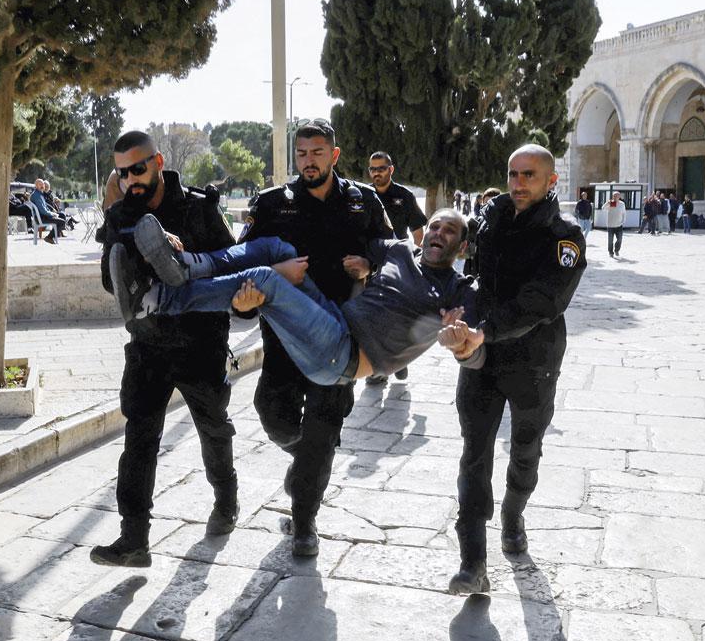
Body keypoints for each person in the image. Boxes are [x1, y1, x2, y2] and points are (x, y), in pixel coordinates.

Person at [238, 118, 391, 557]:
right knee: (273, 414)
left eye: (317, 153)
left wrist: (369, 265)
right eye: (302, 154)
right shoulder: (270, 204)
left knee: (323, 428)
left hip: (341, 337)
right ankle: (308, 463)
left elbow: (391, 251)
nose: (309, 161)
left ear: (334, 155)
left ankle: (304, 523)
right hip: (284, 337)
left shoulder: (363, 202)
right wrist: (244, 302)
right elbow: (246, 260)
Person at [90, 130, 240, 568]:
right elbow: (109, 282)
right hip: (148, 345)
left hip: (200, 343)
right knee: (139, 440)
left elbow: (230, 265)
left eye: (138, 168)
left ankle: (226, 500)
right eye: (122, 172)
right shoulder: (121, 215)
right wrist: (115, 225)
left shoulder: (199, 207)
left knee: (214, 430)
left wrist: (181, 258)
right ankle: (133, 539)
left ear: (157, 163)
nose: (132, 178)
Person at [445, 144, 587, 595]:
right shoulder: (489, 218)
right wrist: (459, 315)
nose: (518, 182)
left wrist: (486, 329)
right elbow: (472, 278)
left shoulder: (565, 236)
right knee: (474, 451)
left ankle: (513, 513)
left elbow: (545, 301)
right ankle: (473, 562)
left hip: (534, 361)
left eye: (528, 175)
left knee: (525, 450)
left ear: (551, 181)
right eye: (512, 173)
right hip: (482, 358)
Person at [117, 211, 481, 386]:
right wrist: (368, 263)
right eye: (434, 226)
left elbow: (474, 336)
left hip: (344, 357)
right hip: (334, 321)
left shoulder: (457, 288)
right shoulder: (401, 251)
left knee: (265, 279)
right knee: (279, 248)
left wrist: (460, 340)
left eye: (449, 232)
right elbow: (358, 243)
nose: (438, 234)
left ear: (461, 246)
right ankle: (188, 266)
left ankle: (156, 298)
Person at [365, 151, 428, 386]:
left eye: (381, 168)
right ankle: (379, 368)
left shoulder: (404, 196)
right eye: (373, 169)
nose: (377, 173)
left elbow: (418, 232)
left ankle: (399, 361)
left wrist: (413, 259)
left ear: (391, 169)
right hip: (370, 265)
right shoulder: (365, 196)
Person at [30, 179, 68, 244]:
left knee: (61, 218)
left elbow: (45, 207)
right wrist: (52, 214)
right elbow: (43, 210)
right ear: (36, 186)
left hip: (44, 216)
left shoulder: (39, 194)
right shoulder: (37, 195)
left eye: (43, 184)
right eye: (40, 184)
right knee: (62, 222)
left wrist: (53, 213)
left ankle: (51, 236)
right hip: (42, 218)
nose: (42, 186)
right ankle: (49, 237)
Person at [606, 191, 626, 257]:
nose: (615, 197)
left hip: (619, 225)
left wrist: (623, 221)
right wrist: (607, 203)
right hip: (610, 225)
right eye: (614, 196)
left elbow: (624, 213)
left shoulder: (622, 204)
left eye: (617, 196)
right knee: (610, 240)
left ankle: (617, 250)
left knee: (619, 239)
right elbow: (603, 209)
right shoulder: (610, 203)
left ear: (619, 197)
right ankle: (610, 252)